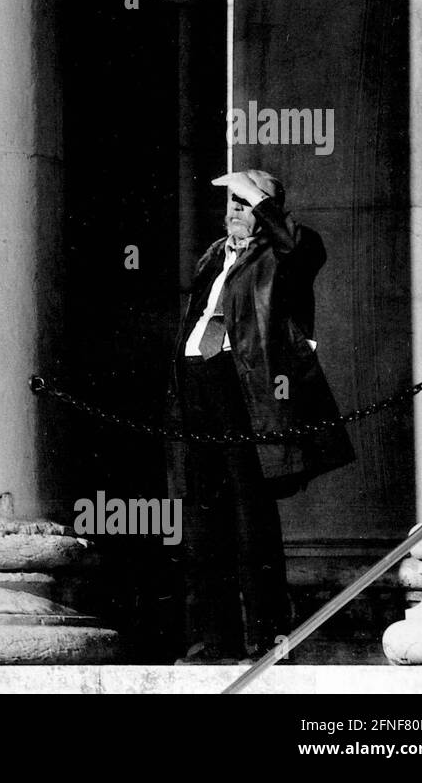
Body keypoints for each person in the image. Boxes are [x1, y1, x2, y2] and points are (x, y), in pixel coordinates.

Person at [166, 169, 355, 664]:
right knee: (205, 521)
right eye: (232, 201)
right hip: (197, 384)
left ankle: (269, 638)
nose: (235, 209)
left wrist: (261, 200)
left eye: (247, 202)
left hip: (246, 388)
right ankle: (216, 640)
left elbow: (298, 245)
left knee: (252, 520)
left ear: (269, 211)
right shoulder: (212, 255)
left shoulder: (284, 255)